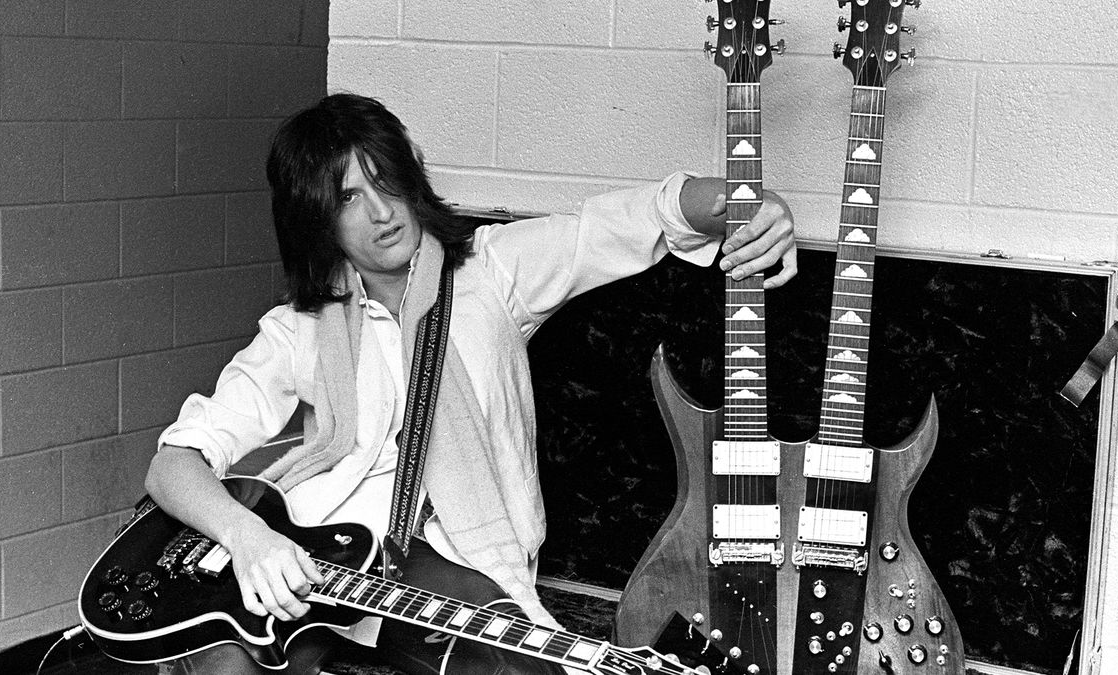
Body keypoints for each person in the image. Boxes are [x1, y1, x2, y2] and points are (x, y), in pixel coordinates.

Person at [144, 92, 797, 675]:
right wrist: (248, 534)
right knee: (220, 659)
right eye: (348, 198)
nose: (381, 213)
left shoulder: (490, 273)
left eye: (385, 182)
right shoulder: (299, 329)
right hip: (322, 559)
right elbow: (175, 462)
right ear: (317, 220)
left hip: (462, 565)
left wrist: (749, 206)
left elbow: (622, 223)